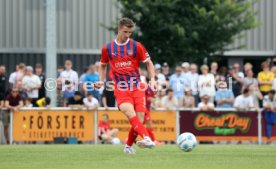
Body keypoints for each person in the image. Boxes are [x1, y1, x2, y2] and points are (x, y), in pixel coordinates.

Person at [95, 17, 156, 154]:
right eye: (125, 32)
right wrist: (100, 80)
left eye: (130, 32)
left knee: (139, 120)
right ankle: (146, 138)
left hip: (137, 88)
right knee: (130, 113)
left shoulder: (136, 46)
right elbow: (103, 65)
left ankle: (128, 146)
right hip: (121, 89)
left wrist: (152, 79)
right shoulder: (108, 48)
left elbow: (149, 63)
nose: (127, 35)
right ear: (119, 29)